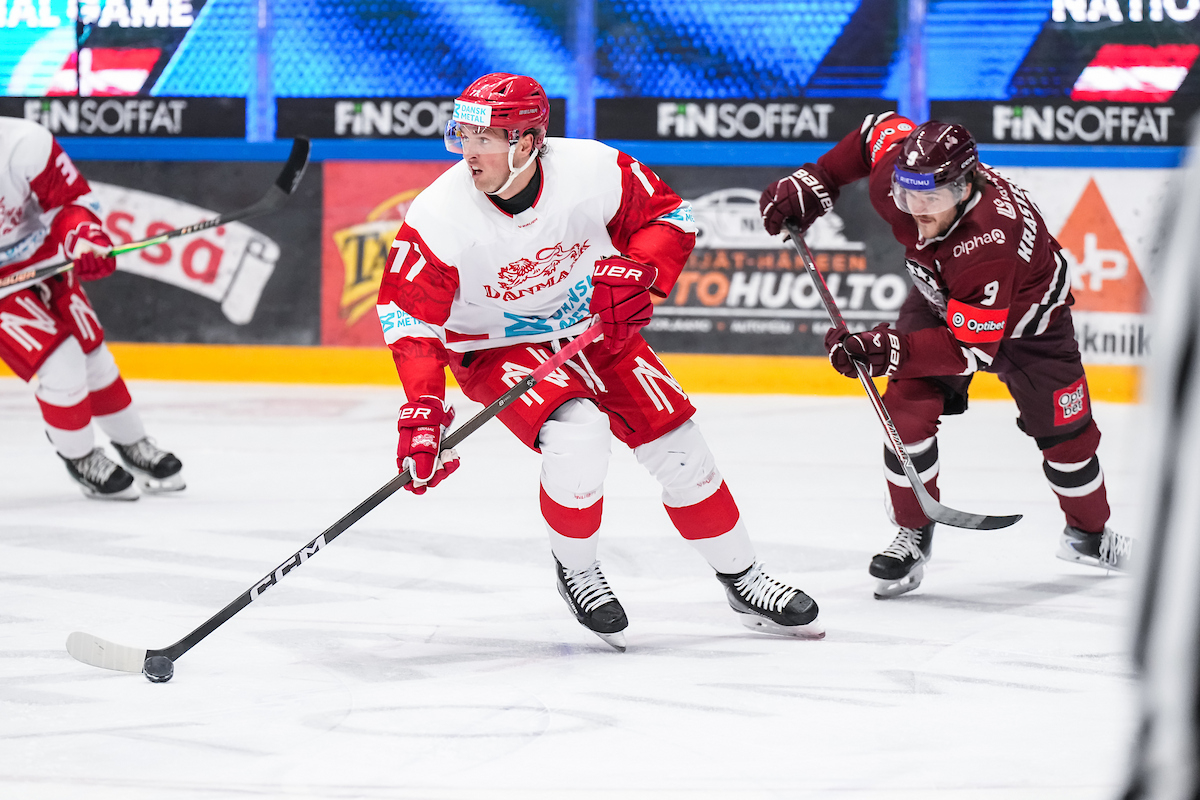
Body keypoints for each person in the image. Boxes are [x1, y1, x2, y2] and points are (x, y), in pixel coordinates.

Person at [375, 72, 822, 650]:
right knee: (577, 434)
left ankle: (744, 577)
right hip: (494, 344)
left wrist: (641, 270)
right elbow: (410, 318)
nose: (469, 152)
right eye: (463, 136)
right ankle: (578, 570)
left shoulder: (593, 169)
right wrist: (423, 409)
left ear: (529, 142)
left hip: (593, 328)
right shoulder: (440, 214)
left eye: (485, 139)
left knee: (681, 450)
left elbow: (670, 219)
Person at [759, 112, 1131, 599]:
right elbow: (876, 130)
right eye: (906, 194)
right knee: (905, 416)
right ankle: (914, 531)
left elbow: (969, 349)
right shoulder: (908, 177)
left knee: (1069, 440)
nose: (916, 210)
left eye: (931, 198)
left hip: (1033, 330)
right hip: (942, 304)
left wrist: (889, 349)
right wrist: (819, 179)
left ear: (964, 187)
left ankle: (1089, 535)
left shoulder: (989, 240)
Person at [0, 116, 183, 500]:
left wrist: (83, 237)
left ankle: (133, 443)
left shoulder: (23, 142)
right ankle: (81, 457)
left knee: (93, 355)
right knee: (61, 362)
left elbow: (68, 202)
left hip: (45, 261)